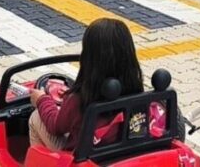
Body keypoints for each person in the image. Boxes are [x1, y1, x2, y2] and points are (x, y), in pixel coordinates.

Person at [28, 18, 144, 150]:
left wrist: (42, 99)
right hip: (121, 150)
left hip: (83, 156)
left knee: (36, 117)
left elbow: (56, 126)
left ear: (89, 58)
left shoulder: (81, 99)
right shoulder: (136, 92)